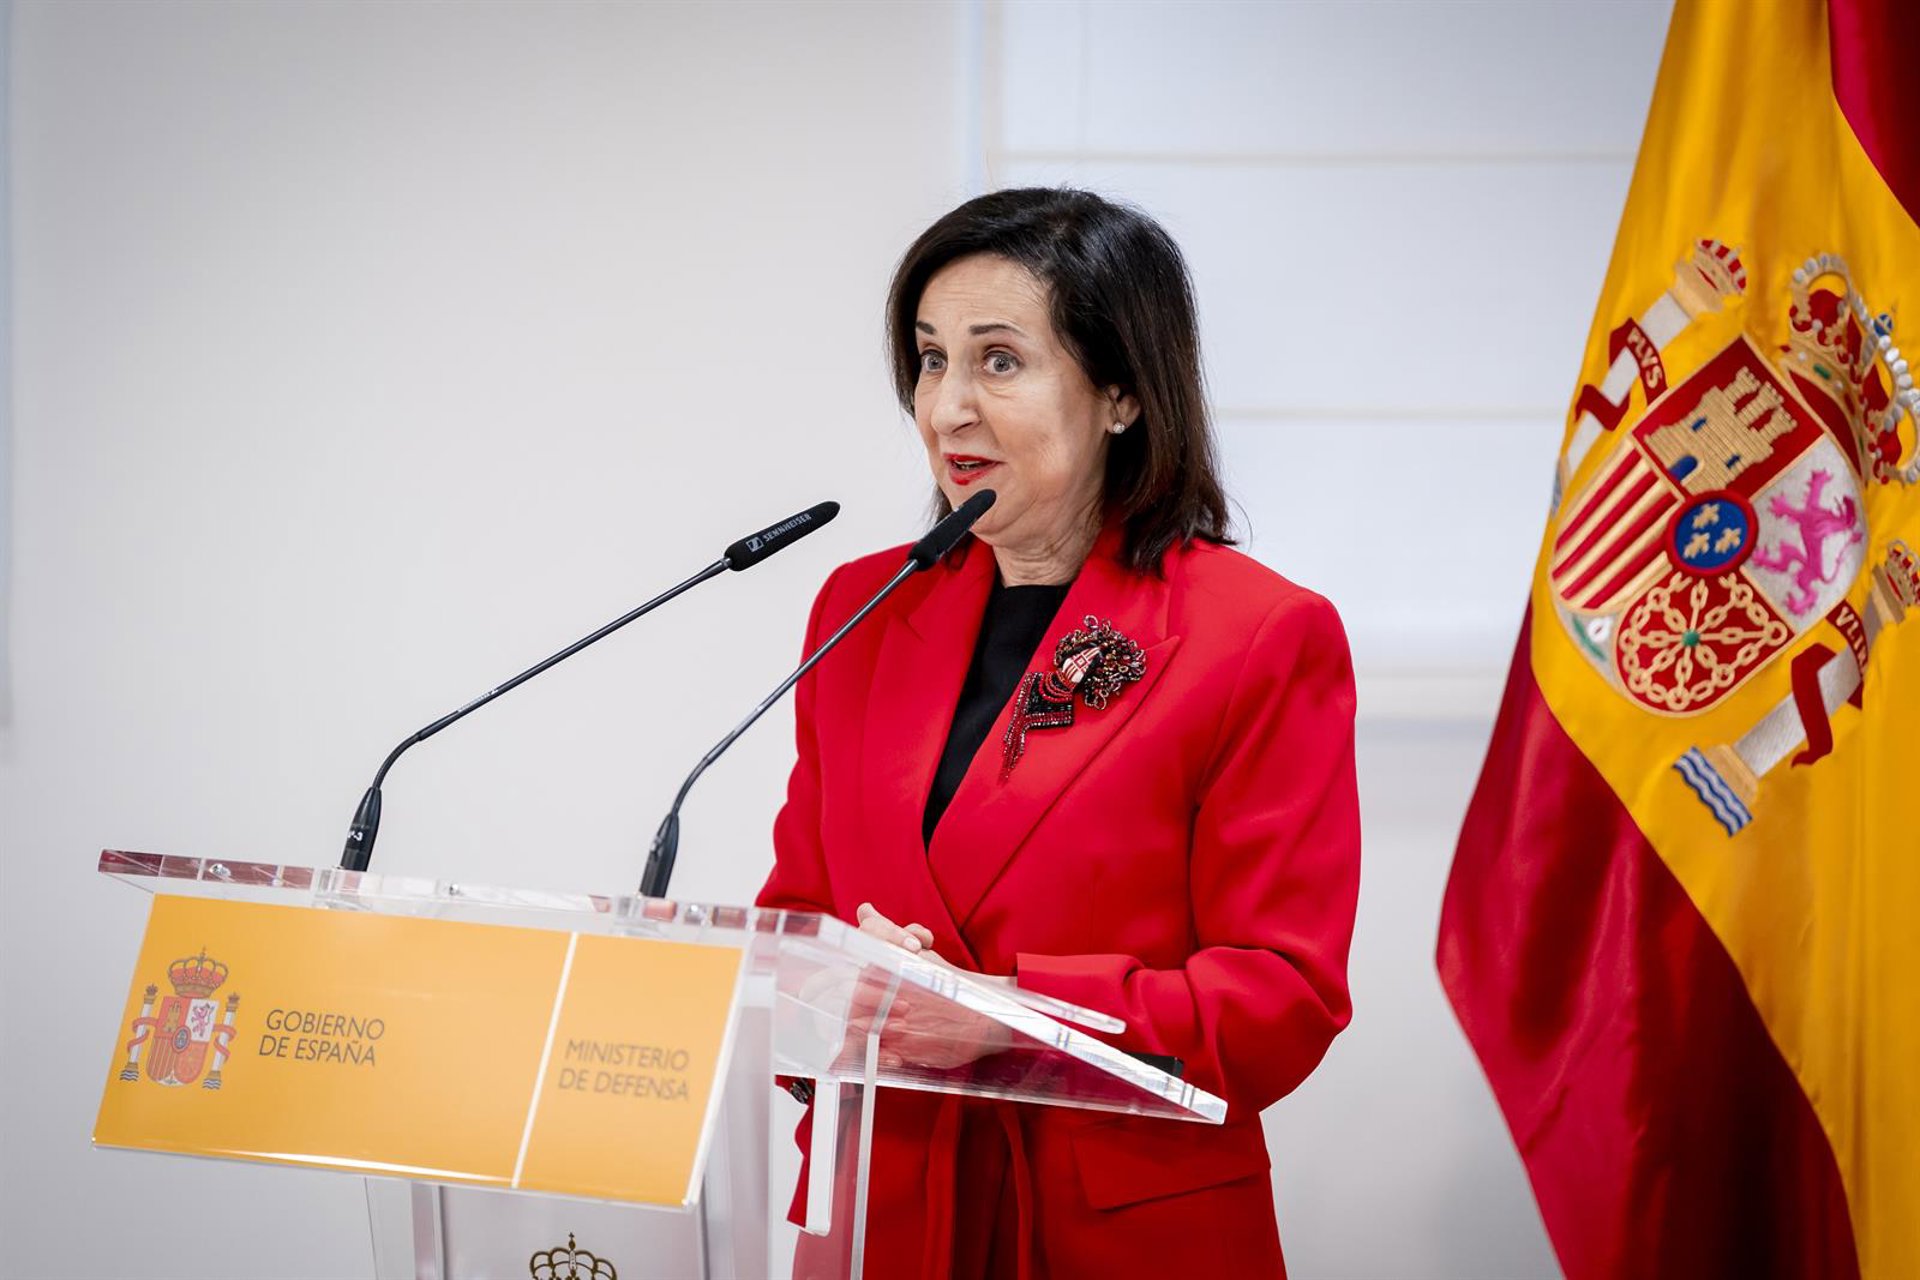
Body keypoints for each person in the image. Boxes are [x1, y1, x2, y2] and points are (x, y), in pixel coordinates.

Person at [756, 187, 1360, 1279]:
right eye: (931, 360)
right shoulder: (863, 608)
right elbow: (796, 921)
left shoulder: (1258, 634)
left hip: (1115, 1231)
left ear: (1122, 391)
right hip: (885, 1216)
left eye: (999, 361)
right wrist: (827, 990)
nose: (947, 409)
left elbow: (1283, 996)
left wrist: (1009, 1020)